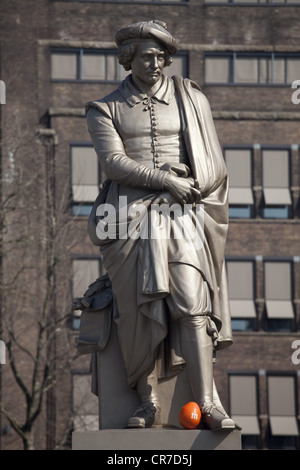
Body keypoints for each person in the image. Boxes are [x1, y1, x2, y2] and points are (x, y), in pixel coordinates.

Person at [86, 20, 237, 431]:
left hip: (182, 215)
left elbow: (213, 164)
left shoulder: (190, 98)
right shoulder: (105, 108)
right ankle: (148, 400)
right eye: (145, 56)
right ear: (128, 59)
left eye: (160, 57)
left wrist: (182, 187)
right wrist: (165, 180)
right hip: (129, 219)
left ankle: (207, 403)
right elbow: (113, 163)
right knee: (136, 312)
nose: (155, 64)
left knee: (192, 303)